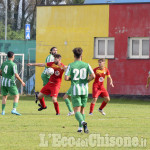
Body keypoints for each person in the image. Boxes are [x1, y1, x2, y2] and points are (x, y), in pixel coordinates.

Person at [65, 47, 95, 133]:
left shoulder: (71, 65)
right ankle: (80, 128)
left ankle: (83, 122)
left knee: (76, 111)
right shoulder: (86, 64)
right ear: (82, 55)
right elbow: (93, 76)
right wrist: (87, 80)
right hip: (85, 89)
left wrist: (73, 78)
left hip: (76, 89)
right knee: (82, 110)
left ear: (74, 55)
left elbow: (66, 78)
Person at [0, 51, 26, 115]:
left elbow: (0, 72)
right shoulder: (13, 64)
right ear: (13, 56)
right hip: (10, 82)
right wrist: (22, 82)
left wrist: (4, 76)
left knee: (4, 96)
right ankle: (14, 110)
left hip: (3, 82)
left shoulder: (4, 63)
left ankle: (3, 111)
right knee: (16, 95)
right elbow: (16, 75)